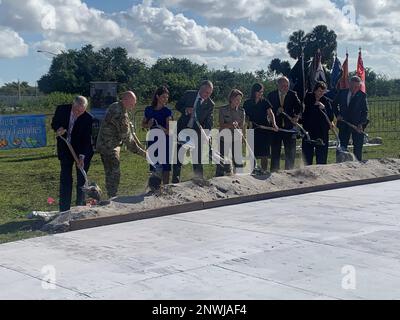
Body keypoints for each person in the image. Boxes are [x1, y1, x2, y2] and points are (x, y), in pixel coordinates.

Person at [96, 91, 146, 198]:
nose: (134, 105)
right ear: (125, 100)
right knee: (114, 173)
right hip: (109, 146)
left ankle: (110, 195)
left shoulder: (115, 106)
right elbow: (127, 139)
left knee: (109, 172)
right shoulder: (120, 114)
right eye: (133, 102)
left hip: (104, 144)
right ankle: (112, 197)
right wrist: (144, 154)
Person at [51, 96, 94, 212]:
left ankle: (79, 208)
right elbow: (54, 123)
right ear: (72, 105)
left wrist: (81, 157)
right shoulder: (62, 109)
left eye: (81, 111)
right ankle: (64, 209)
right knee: (65, 178)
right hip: (65, 148)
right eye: (76, 110)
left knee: (81, 180)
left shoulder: (88, 118)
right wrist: (58, 129)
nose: (78, 114)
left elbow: (86, 140)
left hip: (81, 149)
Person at [172, 80, 215, 183]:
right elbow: (178, 105)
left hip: (197, 133)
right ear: (201, 89)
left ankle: (199, 179)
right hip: (183, 130)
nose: (207, 95)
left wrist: (207, 135)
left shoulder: (210, 104)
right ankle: (175, 181)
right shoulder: (189, 94)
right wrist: (186, 109)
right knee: (179, 156)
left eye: (210, 93)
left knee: (197, 158)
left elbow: (208, 121)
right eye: (206, 92)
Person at [267, 76, 303, 172]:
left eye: (287, 86)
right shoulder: (271, 95)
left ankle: (289, 172)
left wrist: (296, 117)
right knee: (275, 152)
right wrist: (276, 111)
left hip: (289, 128)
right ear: (277, 85)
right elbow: (267, 110)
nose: (285, 88)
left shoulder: (293, 94)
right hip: (276, 128)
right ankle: (274, 172)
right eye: (283, 86)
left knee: (290, 153)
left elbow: (299, 108)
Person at [332, 76, 369, 161]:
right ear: (349, 84)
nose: (354, 89)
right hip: (344, 123)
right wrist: (337, 114)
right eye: (352, 86)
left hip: (357, 126)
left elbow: (365, 111)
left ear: (359, 86)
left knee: (358, 147)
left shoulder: (362, 95)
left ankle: (357, 165)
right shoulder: (342, 93)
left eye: (356, 87)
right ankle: (340, 164)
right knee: (342, 147)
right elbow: (334, 104)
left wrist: (361, 124)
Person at [243, 83, 278, 173]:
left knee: (264, 154)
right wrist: (246, 124)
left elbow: (270, 113)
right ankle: (252, 171)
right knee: (251, 153)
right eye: (259, 92)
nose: (261, 94)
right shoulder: (247, 103)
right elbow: (245, 116)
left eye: (262, 92)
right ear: (254, 92)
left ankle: (263, 171)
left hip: (264, 130)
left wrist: (274, 124)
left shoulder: (265, 102)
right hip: (251, 130)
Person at [142, 86, 173, 185]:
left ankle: (166, 187)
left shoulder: (167, 111)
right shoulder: (149, 110)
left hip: (165, 141)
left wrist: (159, 126)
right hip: (152, 140)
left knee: (165, 166)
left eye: (167, 97)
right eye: (163, 97)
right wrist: (148, 124)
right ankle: (154, 187)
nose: (165, 99)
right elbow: (143, 124)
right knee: (153, 165)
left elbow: (170, 131)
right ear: (157, 97)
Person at [301, 81, 334, 165]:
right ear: (315, 90)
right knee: (307, 155)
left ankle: (321, 172)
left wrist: (324, 108)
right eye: (319, 91)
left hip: (321, 132)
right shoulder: (307, 98)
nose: (321, 93)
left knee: (321, 156)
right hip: (309, 131)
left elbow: (330, 117)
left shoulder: (326, 101)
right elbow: (304, 113)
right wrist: (313, 105)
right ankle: (306, 172)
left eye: (323, 91)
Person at [216, 89, 246, 176]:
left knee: (238, 161)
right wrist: (230, 124)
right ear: (231, 98)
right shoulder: (223, 109)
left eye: (240, 100)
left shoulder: (241, 111)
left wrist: (238, 126)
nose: (238, 101)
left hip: (236, 139)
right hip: (224, 139)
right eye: (237, 99)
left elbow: (241, 125)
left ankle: (240, 179)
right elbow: (221, 124)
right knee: (222, 161)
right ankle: (219, 177)